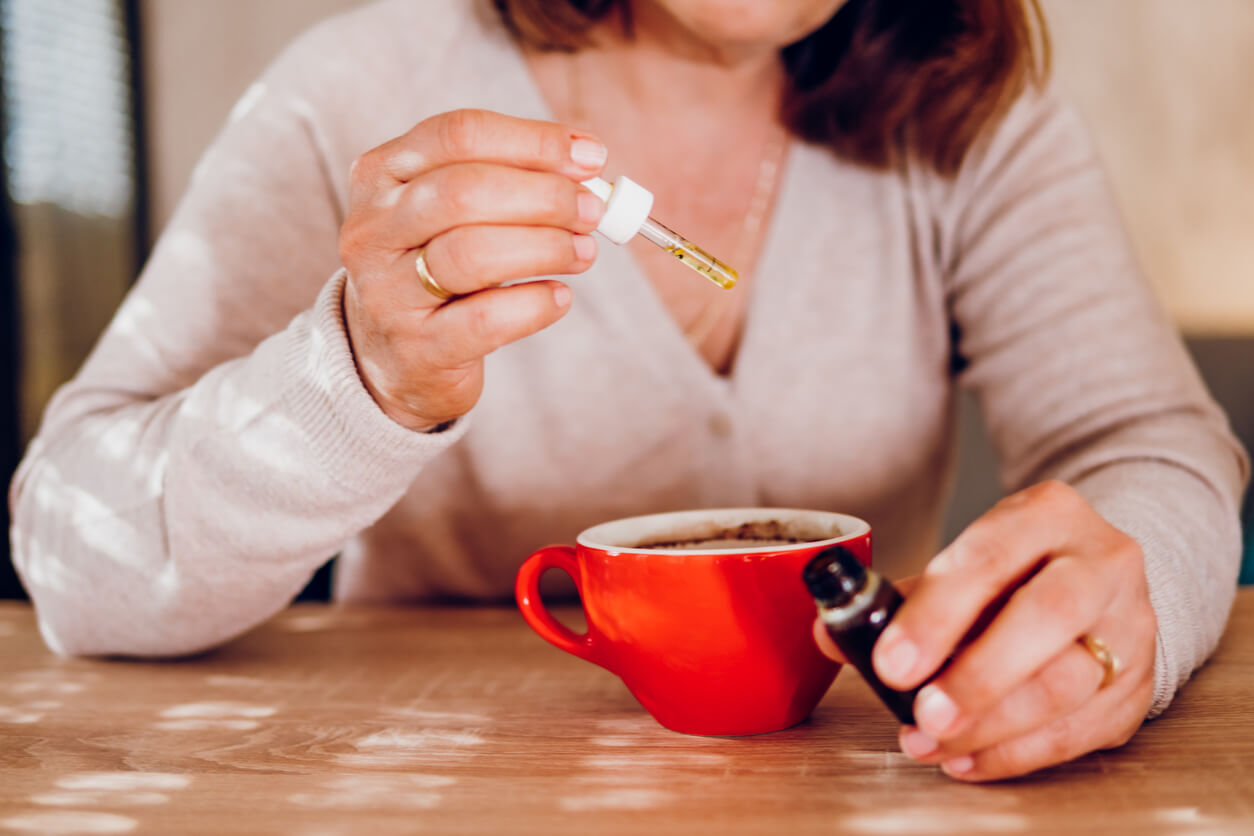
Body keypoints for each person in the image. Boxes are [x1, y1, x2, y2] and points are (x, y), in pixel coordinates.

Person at [8, 0, 1247, 782]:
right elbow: (76, 556)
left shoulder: (965, 110)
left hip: (852, 777)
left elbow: (1143, 441)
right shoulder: (354, 90)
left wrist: (1128, 599)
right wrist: (363, 373)